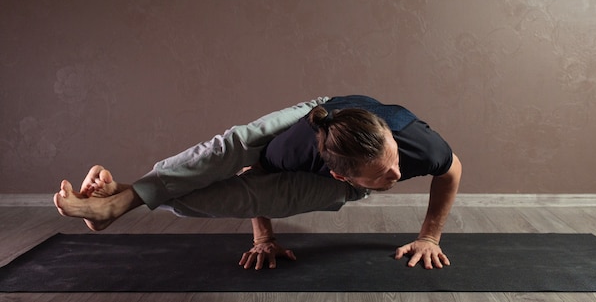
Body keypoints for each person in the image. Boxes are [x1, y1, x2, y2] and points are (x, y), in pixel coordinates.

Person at [54, 95, 462, 271]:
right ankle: (122, 201)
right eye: (384, 175)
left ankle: (125, 198)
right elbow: (254, 189)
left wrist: (430, 236)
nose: (397, 175)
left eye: (394, 163)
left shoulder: (419, 146)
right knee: (233, 148)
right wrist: (262, 238)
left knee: (248, 196)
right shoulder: (289, 151)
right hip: (312, 124)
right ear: (340, 174)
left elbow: (451, 170)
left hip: (339, 130)